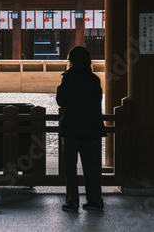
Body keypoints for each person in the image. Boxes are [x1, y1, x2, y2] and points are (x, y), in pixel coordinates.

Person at [56, 46, 106, 212]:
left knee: (70, 165)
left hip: (72, 127)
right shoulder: (94, 79)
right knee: (91, 165)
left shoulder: (69, 78)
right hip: (91, 127)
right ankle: (94, 199)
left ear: (72, 61)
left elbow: (61, 100)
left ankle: (72, 200)